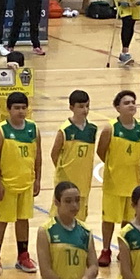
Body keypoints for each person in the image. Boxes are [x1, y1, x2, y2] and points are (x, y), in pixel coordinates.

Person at [0, 92, 41, 273]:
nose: (21, 111)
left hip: (26, 183)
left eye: (23, 108)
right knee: (1, 221)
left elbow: (38, 156)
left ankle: (23, 256)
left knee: (23, 220)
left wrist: (37, 179)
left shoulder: (33, 128)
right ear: (8, 109)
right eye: (17, 108)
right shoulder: (0, 130)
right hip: (7, 184)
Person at [36, 182, 98, 279]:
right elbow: (45, 270)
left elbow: (93, 266)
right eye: (68, 201)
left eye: (77, 200)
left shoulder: (85, 231)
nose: (74, 205)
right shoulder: (46, 230)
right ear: (57, 202)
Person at [97, 90, 140, 267]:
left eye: (133, 102)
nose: (131, 105)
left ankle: (123, 250)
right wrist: (114, 166)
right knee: (109, 219)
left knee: (128, 220)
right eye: (126, 103)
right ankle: (105, 250)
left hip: (133, 182)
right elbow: (101, 151)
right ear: (117, 108)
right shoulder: (110, 128)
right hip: (113, 182)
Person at [50, 91, 97, 221]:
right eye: (81, 106)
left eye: (87, 106)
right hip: (66, 180)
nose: (85, 110)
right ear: (71, 107)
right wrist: (63, 170)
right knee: (60, 216)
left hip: (84, 181)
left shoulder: (92, 129)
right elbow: (54, 154)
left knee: (80, 218)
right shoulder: (65, 130)